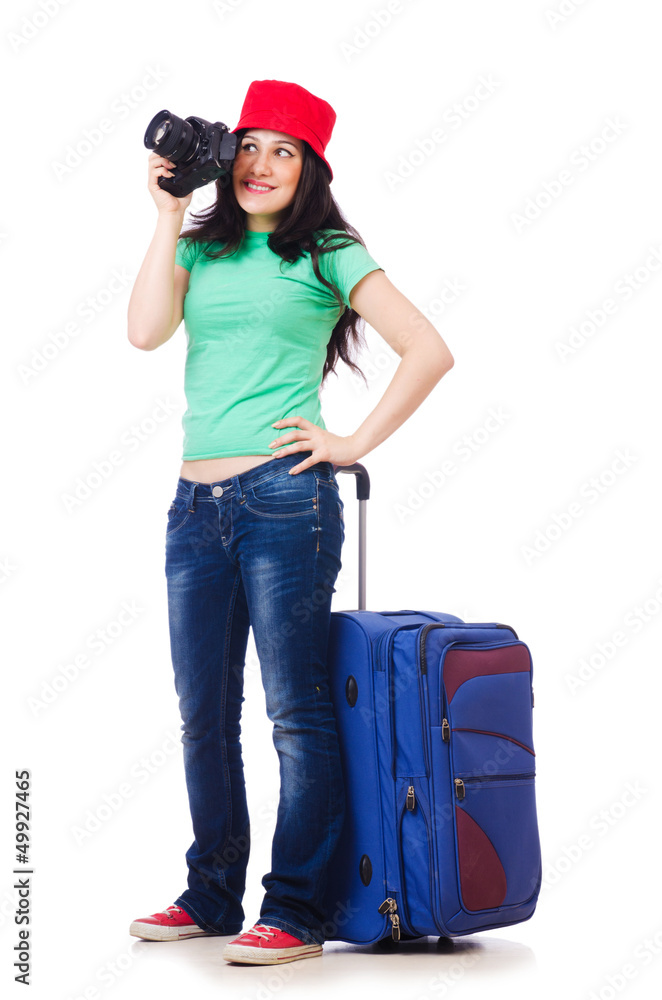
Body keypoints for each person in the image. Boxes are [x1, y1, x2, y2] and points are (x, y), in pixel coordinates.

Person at [126, 79, 454, 966]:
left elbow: (429, 349)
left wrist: (349, 443)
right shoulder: (202, 248)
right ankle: (210, 894)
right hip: (194, 508)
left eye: (285, 151)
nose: (261, 165)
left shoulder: (328, 252)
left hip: (284, 500)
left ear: (311, 170)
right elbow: (145, 331)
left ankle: (298, 911)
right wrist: (168, 214)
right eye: (250, 146)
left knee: (295, 715)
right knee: (202, 715)